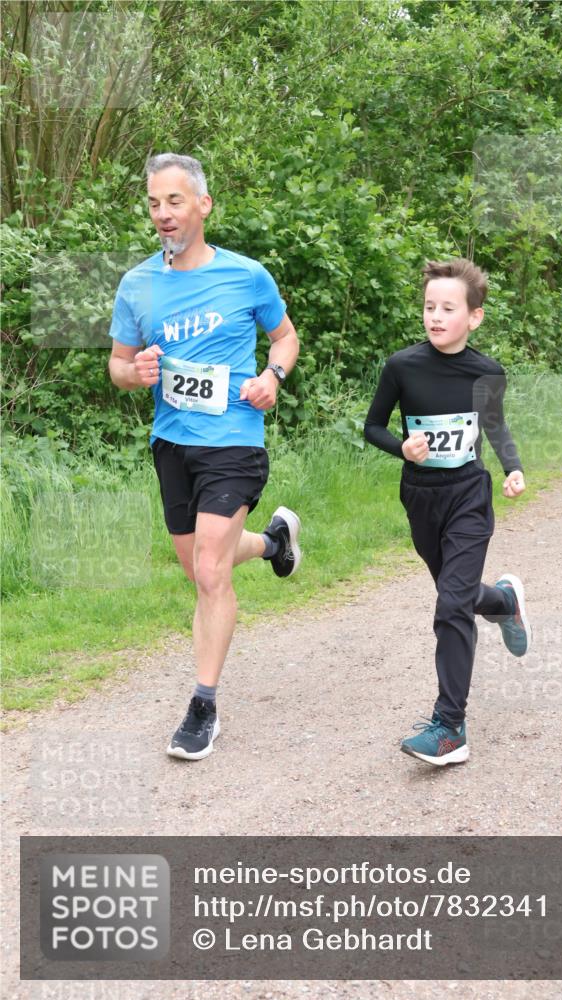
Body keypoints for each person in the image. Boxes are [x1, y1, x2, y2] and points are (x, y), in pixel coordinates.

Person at [108, 153, 301, 762]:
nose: (163, 214)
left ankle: (203, 706)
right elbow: (118, 366)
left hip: (235, 441)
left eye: (174, 201)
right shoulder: (137, 284)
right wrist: (135, 374)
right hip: (172, 443)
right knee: (198, 568)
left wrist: (272, 376)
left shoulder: (247, 276)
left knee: (212, 573)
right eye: (154, 203)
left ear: (203, 205)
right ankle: (272, 544)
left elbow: (285, 337)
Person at [364, 258, 531, 766]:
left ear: (474, 317)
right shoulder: (402, 367)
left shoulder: (487, 372)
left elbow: (494, 424)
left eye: (448, 308)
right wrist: (401, 448)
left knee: (451, 605)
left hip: (468, 495)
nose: (435, 316)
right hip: (420, 497)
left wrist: (512, 467)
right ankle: (502, 601)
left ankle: (450, 726)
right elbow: (372, 427)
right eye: (429, 307)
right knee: (455, 595)